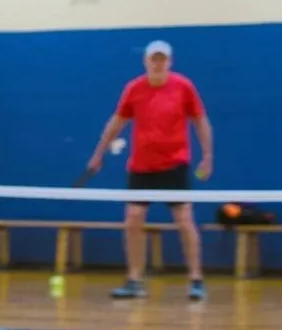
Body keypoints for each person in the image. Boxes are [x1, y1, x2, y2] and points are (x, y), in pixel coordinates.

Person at [83, 39, 214, 301]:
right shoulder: (134, 89)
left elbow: (200, 121)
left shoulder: (183, 87)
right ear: (146, 62)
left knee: (185, 221)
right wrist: (98, 154)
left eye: (162, 59)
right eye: (153, 59)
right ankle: (134, 279)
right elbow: (116, 123)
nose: (157, 63)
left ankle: (196, 279)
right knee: (133, 218)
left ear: (169, 62)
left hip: (175, 165)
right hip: (141, 166)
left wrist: (207, 157)